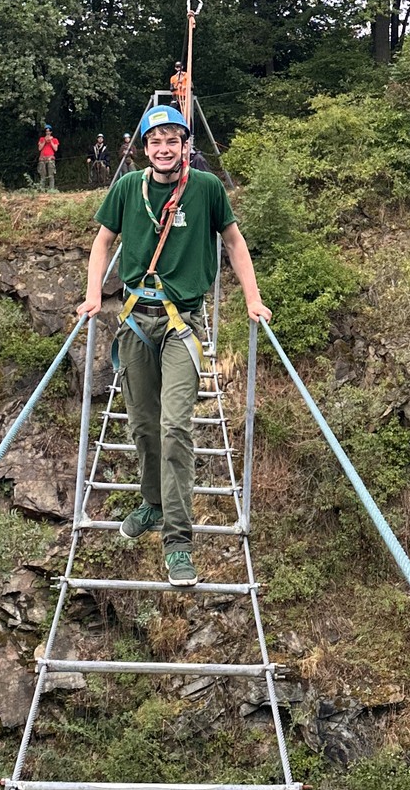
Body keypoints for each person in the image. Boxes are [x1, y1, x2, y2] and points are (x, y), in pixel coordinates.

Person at [76, 104, 269, 585]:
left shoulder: (206, 188)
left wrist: (253, 298)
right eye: (155, 141)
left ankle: (178, 542)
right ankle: (154, 504)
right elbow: (103, 242)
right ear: (144, 149)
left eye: (173, 141)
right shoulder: (126, 187)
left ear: (186, 147)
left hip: (183, 323)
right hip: (135, 322)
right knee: (143, 426)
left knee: (175, 427)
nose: (164, 149)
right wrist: (92, 294)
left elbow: (234, 242)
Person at [36, 126, 60, 192]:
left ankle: (51, 190)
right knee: (42, 175)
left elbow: (55, 149)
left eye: (49, 131)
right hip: (42, 158)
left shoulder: (55, 139)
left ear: (51, 132)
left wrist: (51, 141)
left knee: (51, 175)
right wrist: (44, 141)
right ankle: (42, 190)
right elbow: (39, 148)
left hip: (50, 158)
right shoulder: (41, 139)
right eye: (46, 131)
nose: (48, 132)